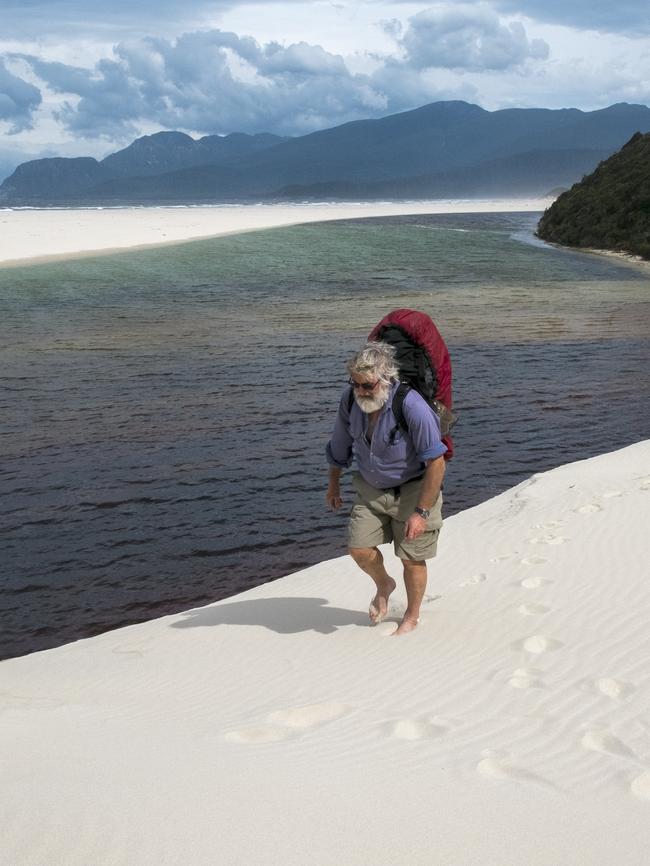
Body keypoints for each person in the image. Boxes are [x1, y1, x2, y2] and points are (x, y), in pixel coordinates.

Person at [326, 341, 447, 635]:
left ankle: (412, 615)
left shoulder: (412, 405)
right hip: (371, 488)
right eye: (355, 384)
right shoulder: (350, 401)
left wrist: (421, 511)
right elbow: (339, 445)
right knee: (358, 548)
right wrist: (333, 485)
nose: (360, 391)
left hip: (412, 491)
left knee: (411, 557)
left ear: (386, 378)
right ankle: (384, 583)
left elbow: (436, 463)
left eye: (367, 386)